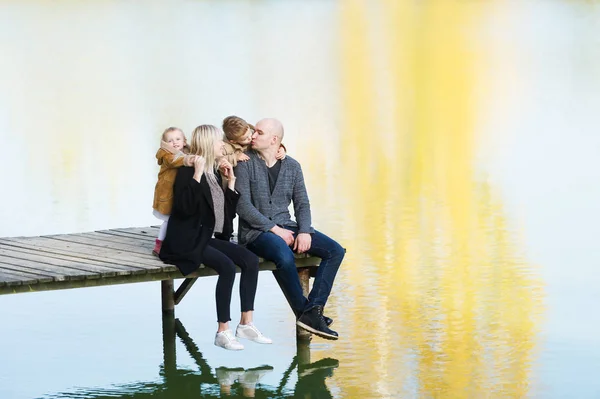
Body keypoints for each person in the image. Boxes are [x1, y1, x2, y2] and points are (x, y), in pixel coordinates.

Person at [159, 124, 272, 350]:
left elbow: (224, 218)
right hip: (187, 240)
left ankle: (246, 324)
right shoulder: (187, 171)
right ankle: (223, 331)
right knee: (227, 267)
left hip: (208, 237)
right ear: (209, 145)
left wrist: (230, 184)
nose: (223, 145)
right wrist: (197, 176)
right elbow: (184, 210)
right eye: (219, 141)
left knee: (250, 261)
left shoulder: (214, 173)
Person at [234, 118, 345, 340]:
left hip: (289, 226)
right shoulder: (244, 162)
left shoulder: (292, 166)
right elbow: (242, 205)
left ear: (274, 140)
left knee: (335, 251)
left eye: (259, 132)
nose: (253, 135)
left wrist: (304, 230)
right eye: (254, 131)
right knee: (283, 254)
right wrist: (275, 229)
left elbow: (302, 203)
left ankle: (313, 310)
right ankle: (306, 313)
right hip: (256, 233)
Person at [151, 127, 195, 256]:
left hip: (179, 193)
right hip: (167, 194)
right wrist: (189, 160)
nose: (174, 142)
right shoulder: (166, 155)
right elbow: (174, 161)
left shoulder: (187, 152)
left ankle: (177, 241)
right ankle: (159, 243)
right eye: (170, 141)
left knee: (178, 218)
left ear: (184, 141)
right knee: (169, 219)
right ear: (165, 144)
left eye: (178, 139)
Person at [222, 115, 286, 167]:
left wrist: (280, 148)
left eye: (250, 133)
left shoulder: (253, 131)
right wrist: (235, 157)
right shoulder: (225, 147)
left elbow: (270, 141)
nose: (251, 137)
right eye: (245, 139)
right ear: (233, 141)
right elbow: (216, 161)